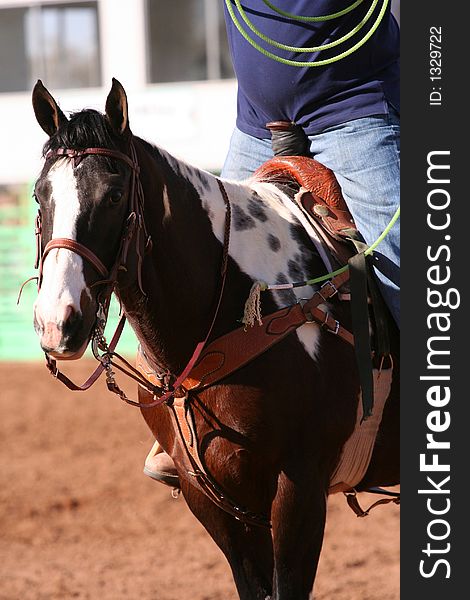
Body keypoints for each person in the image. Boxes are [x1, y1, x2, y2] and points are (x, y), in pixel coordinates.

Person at [145, 0, 400, 485]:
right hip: (256, 124)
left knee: (409, 271)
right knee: (206, 266)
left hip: (355, 110)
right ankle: (181, 421)